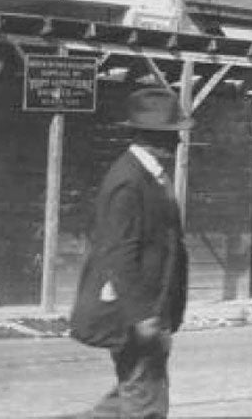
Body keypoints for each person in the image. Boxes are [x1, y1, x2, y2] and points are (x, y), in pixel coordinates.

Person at [71, 87, 190, 418]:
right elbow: (118, 253)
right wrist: (143, 316)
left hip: (152, 310)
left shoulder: (150, 176)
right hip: (135, 316)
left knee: (130, 397)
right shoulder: (129, 180)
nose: (179, 141)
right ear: (154, 137)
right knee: (146, 402)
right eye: (173, 134)